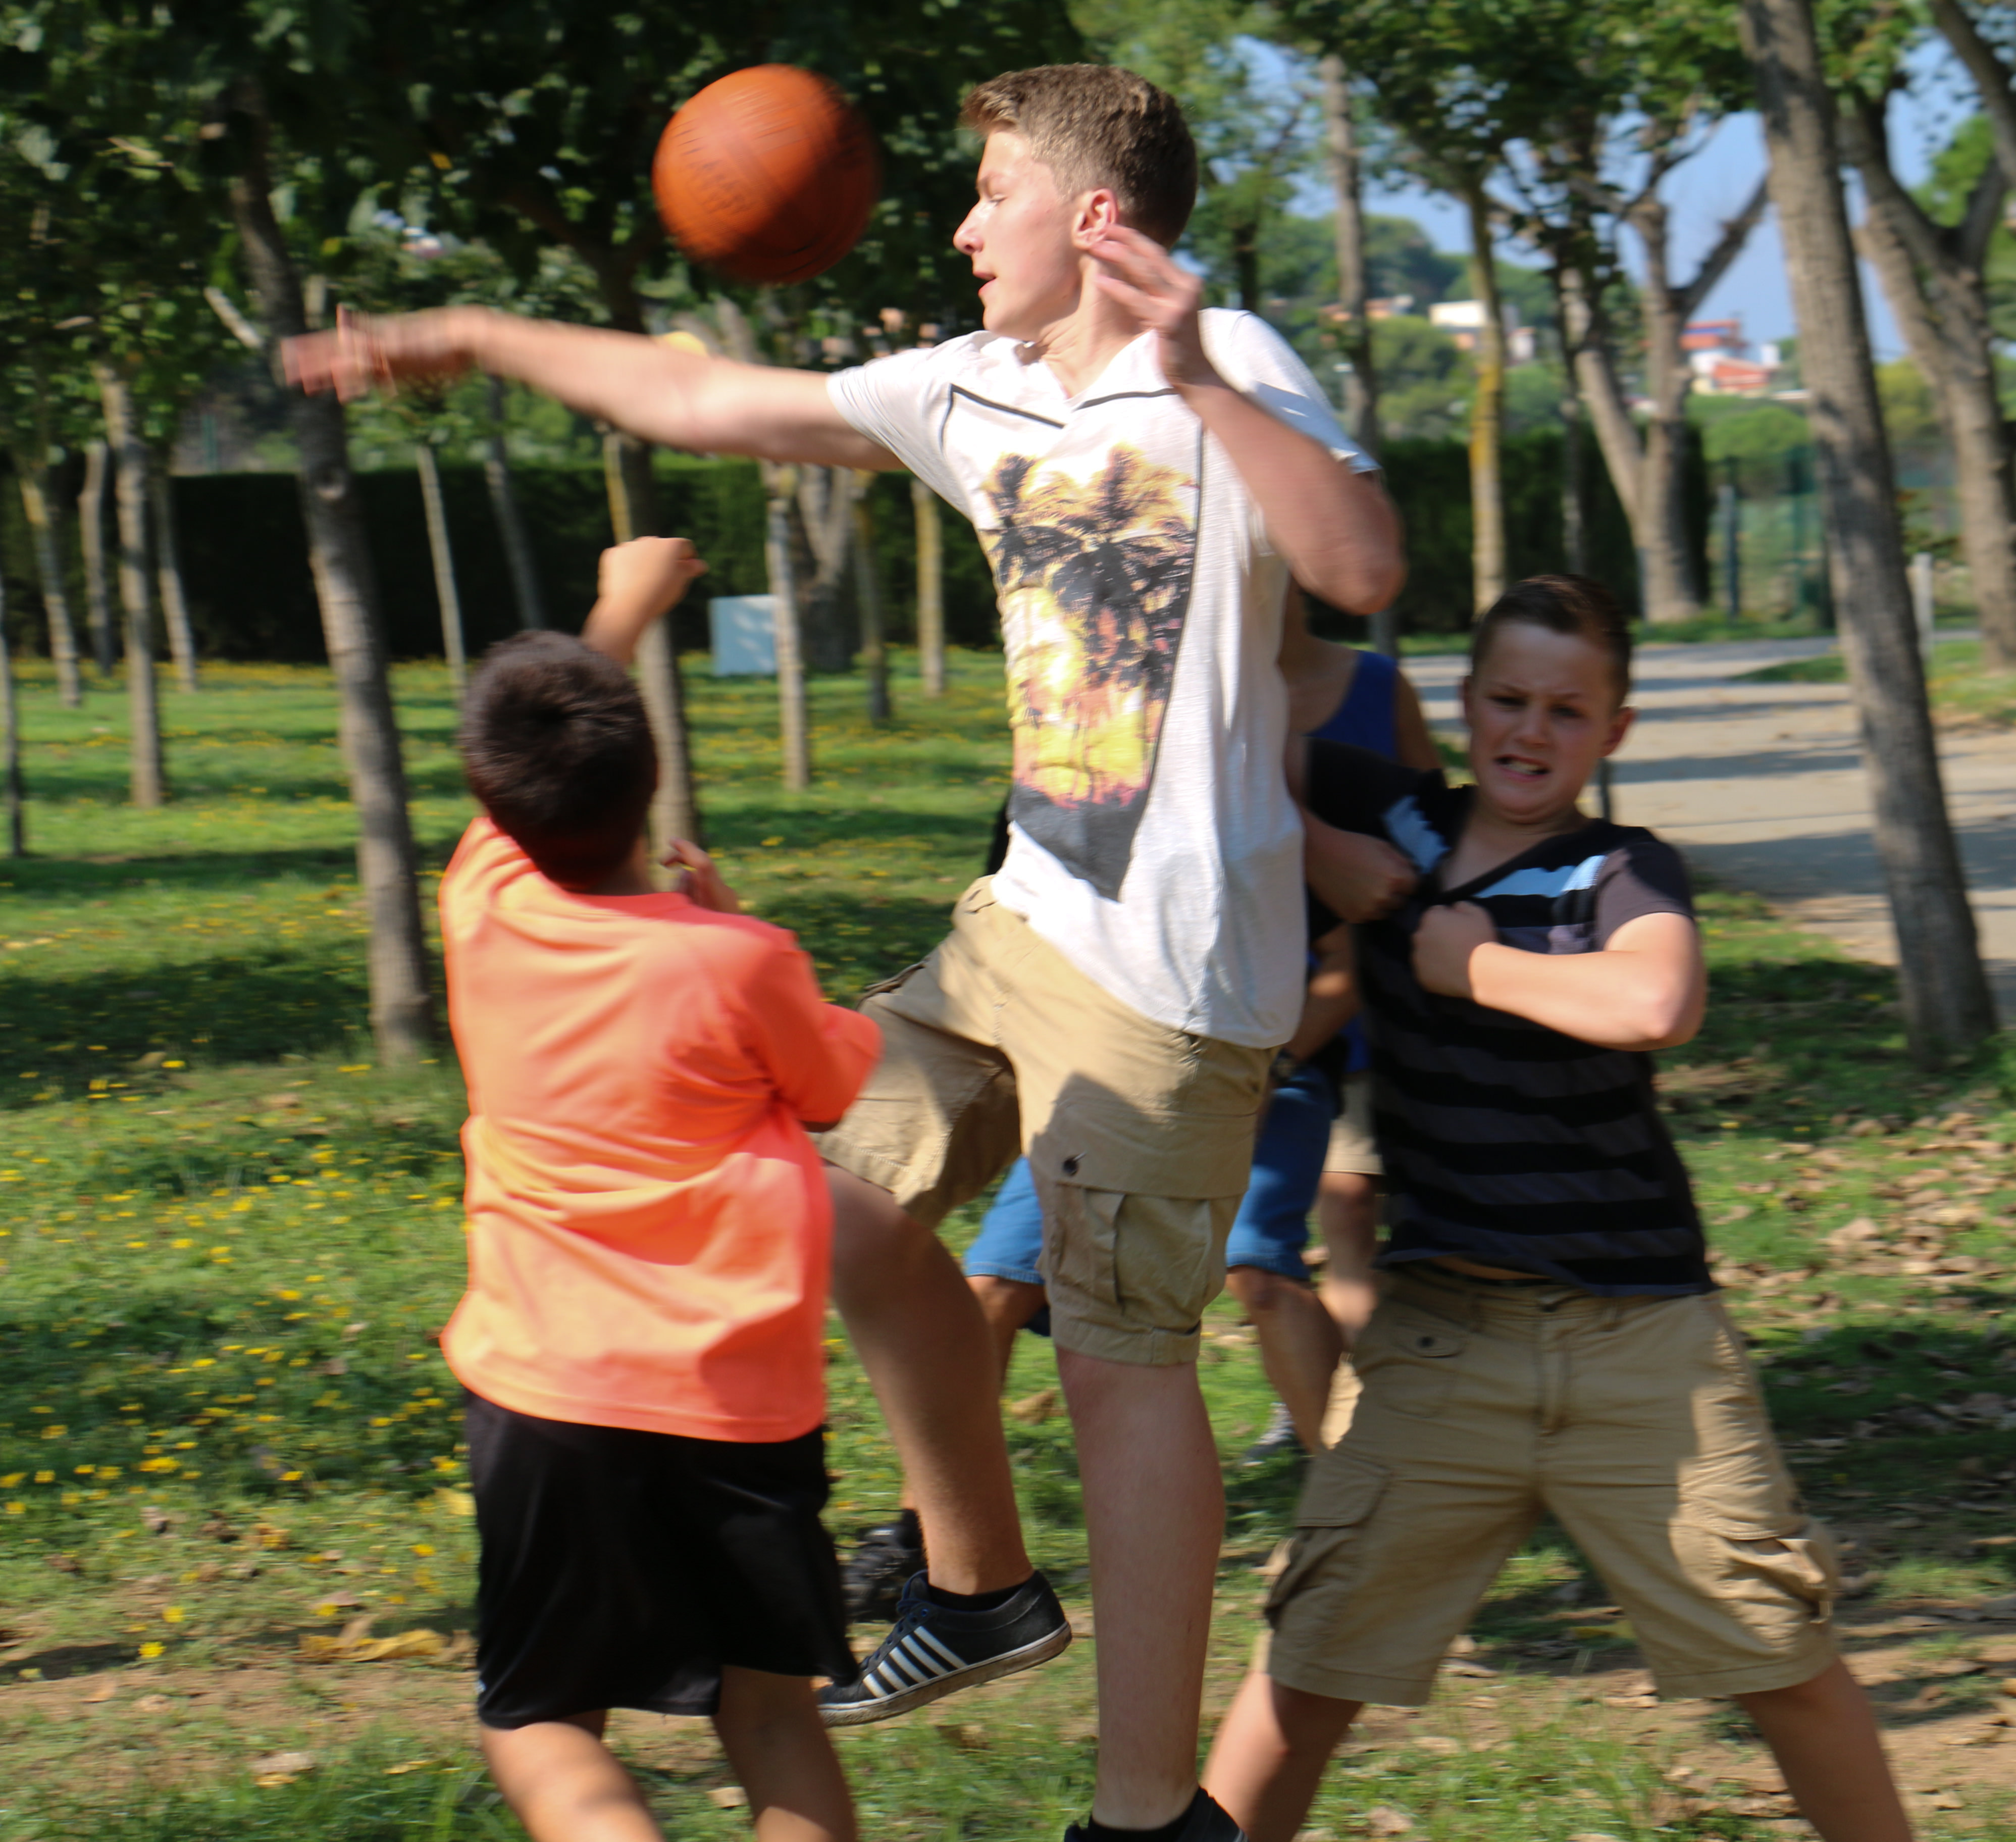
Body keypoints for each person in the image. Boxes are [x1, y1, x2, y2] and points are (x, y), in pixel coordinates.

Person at [290, 64, 1401, 1842]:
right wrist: (477, 335)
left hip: (1175, 977)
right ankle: (980, 1582)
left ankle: (1146, 1816)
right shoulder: (969, 388)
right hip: (1022, 921)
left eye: (993, 192)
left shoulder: (1232, 360)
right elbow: (700, 394)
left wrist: (1195, 366)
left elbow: (1360, 561)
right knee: (827, 1198)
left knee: (1118, 1356)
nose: (960, 228)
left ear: (1093, 215)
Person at [1201, 577, 1915, 1842]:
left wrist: (1470, 961)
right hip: (1441, 1350)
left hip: (1644, 1353)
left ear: (1614, 730)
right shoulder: (1397, 824)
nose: (1530, 731)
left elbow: (1655, 1004)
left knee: (1783, 1661)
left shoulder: (1617, 869)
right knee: (1305, 1665)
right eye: (1508, 699)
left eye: (1567, 711)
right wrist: (1318, 843)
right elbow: (1203, 745)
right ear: (1464, 703)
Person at [439, 537, 882, 1842]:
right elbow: (831, 1083)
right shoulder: (741, 963)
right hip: (737, 1403)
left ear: (495, 801)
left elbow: (532, 779)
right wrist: (733, 928)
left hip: (547, 1396)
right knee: (774, 1717)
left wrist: (618, 607)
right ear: (651, 786)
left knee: (540, 1721)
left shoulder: (480, 903)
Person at [936, 589, 1435, 1470]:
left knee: (1263, 1265)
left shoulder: (1286, 775)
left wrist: (1270, 1064)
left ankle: (1361, 1493)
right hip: (1098, 1074)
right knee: (993, 1285)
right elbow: (1014, 937)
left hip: (1266, 1065)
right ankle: (922, 1524)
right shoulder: (1065, 776)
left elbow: (1362, 940)